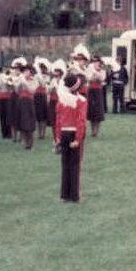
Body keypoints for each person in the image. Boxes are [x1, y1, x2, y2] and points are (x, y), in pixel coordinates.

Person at [54, 74, 88, 202]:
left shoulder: (61, 101)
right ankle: (75, 195)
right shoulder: (81, 101)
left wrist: (57, 137)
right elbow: (81, 121)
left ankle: (64, 195)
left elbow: (58, 120)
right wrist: (78, 139)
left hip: (63, 133)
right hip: (74, 133)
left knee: (65, 164)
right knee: (75, 165)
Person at [17, 65, 39, 150]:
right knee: (22, 122)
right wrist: (19, 83)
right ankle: (26, 143)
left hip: (29, 102)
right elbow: (16, 90)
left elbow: (32, 90)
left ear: (31, 72)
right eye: (24, 71)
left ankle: (31, 143)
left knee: (29, 123)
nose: (25, 73)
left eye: (27, 71)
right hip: (21, 102)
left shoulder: (34, 81)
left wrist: (25, 82)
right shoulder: (21, 80)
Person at [85, 56, 106, 137]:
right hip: (91, 91)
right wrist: (94, 76)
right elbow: (89, 79)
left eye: (97, 61)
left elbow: (102, 79)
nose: (95, 63)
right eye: (94, 61)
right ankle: (92, 131)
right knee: (92, 110)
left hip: (98, 91)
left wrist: (96, 75)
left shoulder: (103, 71)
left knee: (98, 111)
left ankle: (96, 131)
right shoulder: (89, 69)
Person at [8, 58, 26, 143]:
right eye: (15, 68)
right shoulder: (11, 77)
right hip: (12, 98)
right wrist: (9, 83)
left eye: (18, 68)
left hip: (21, 97)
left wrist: (15, 84)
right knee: (13, 117)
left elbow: (19, 89)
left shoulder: (23, 77)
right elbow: (9, 88)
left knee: (21, 117)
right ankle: (14, 136)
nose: (16, 70)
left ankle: (21, 136)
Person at [48, 59, 67, 135]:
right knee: (53, 119)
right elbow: (48, 91)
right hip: (53, 101)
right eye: (55, 71)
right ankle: (55, 135)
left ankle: (61, 134)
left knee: (61, 119)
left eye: (58, 71)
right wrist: (51, 88)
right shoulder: (53, 80)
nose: (56, 73)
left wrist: (58, 87)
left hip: (61, 101)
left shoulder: (64, 80)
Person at [33, 57, 51, 140]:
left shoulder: (47, 76)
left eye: (43, 67)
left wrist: (40, 76)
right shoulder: (36, 75)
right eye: (40, 67)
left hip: (43, 96)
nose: (42, 69)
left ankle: (42, 133)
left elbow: (44, 84)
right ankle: (39, 133)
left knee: (43, 116)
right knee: (38, 115)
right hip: (36, 96)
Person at [0, 68, 12, 139]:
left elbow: (10, 86)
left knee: (8, 115)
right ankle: (4, 133)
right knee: (2, 116)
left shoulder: (9, 77)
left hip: (7, 97)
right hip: (0, 98)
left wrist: (7, 80)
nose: (2, 74)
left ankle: (9, 133)